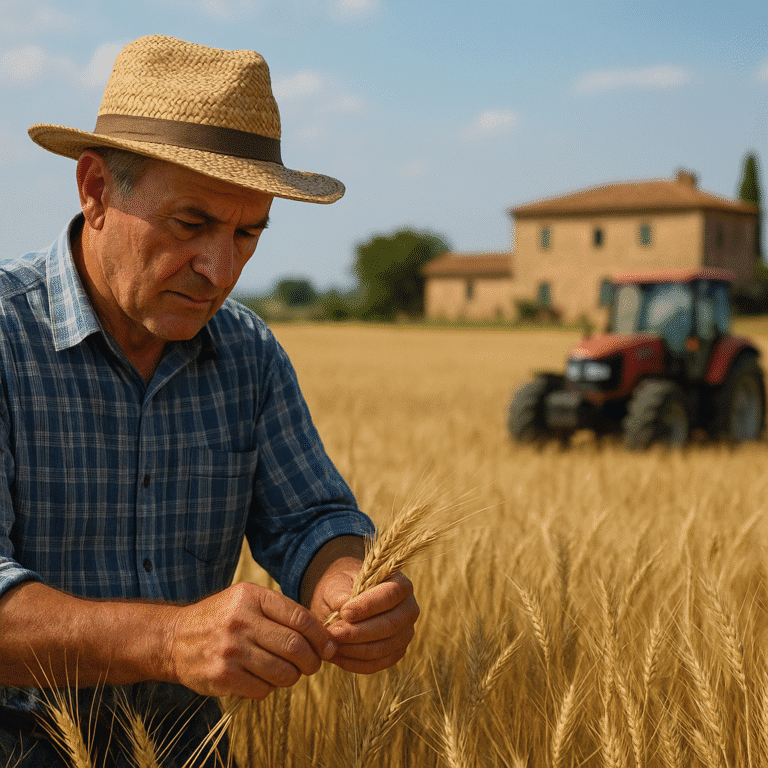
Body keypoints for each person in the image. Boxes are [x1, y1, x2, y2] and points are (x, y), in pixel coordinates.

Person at [0, 35, 419, 766]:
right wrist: (167, 640)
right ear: (95, 189)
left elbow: (311, 519)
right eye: (191, 224)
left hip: (189, 749)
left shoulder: (247, 353)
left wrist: (347, 589)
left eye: (247, 233)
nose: (219, 270)